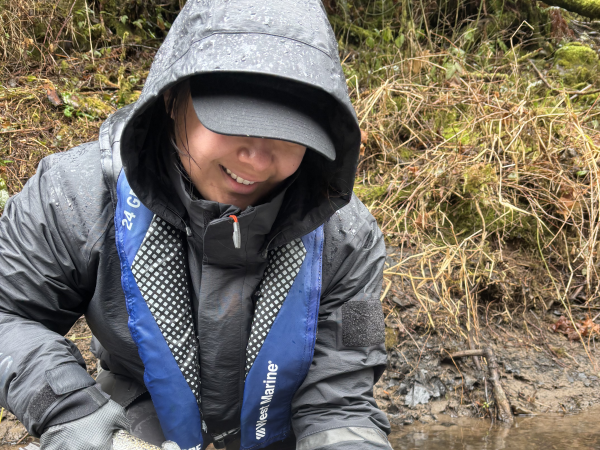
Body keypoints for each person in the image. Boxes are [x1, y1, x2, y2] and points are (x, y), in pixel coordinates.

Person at [0, 1, 391, 449]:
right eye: (235, 122)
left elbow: (338, 403)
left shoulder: (348, 239)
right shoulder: (75, 197)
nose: (258, 161)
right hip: (133, 421)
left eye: (291, 134)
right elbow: (6, 311)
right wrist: (70, 413)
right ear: (171, 97)